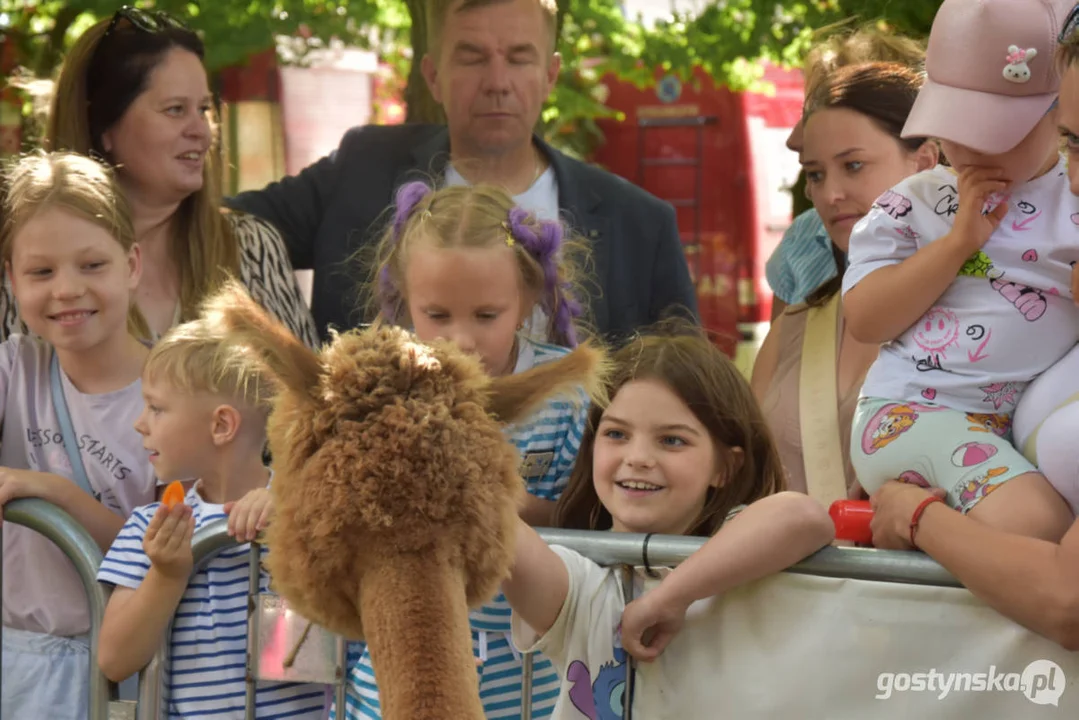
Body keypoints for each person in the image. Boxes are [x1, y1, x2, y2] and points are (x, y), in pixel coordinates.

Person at [228, 0, 697, 344]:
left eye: (519, 57)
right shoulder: (361, 169)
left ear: (550, 75)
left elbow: (688, 391)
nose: (497, 83)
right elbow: (213, 228)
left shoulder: (641, 225)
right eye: (472, 57)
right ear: (432, 76)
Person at [331, 180, 590, 719]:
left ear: (526, 298)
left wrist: (486, 501)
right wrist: (274, 495)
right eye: (438, 315)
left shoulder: (563, 398)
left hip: (528, 684)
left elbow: (586, 520)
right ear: (405, 302)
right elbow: (325, 475)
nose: (462, 339)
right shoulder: (380, 385)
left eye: (486, 315)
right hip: (397, 667)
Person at [867, 2, 1079, 653]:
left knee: (1029, 522)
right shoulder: (913, 204)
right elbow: (863, 320)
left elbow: (1066, 602)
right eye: (1076, 144)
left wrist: (918, 519)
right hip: (919, 417)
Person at [502, 330, 834, 717]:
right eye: (616, 434)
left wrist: (671, 597)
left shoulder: (743, 550)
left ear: (726, 468)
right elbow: (497, 526)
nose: (638, 457)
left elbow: (804, 516)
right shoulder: (579, 574)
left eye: (672, 441)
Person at [35, 6, 318, 347]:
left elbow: (310, 394)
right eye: (175, 110)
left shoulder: (250, 246)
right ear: (103, 127)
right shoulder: (31, 264)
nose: (201, 130)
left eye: (203, 109)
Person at [95, 311, 327, 717]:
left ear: (221, 424)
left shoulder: (308, 511)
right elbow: (114, 660)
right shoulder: (151, 527)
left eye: (156, 408)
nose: (139, 423)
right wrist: (167, 575)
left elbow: (328, 647)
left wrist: (294, 525)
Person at [0, 152, 157, 720]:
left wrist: (55, 494)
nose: (67, 289)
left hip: (132, 676)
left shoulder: (177, 393)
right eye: (41, 272)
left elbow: (165, 555)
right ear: (11, 279)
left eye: (91, 265)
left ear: (132, 264)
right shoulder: (14, 369)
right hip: (19, 671)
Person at [751, 63, 938, 499]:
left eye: (853, 165)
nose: (829, 194)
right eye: (815, 175)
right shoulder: (795, 325)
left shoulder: (999, 312)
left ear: (925, 161)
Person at [767, 25, 926, 319]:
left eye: (853, 165)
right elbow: (785, 361)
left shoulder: (974, 240)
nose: (795, 138)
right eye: (812, 109)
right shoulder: (805, 238)